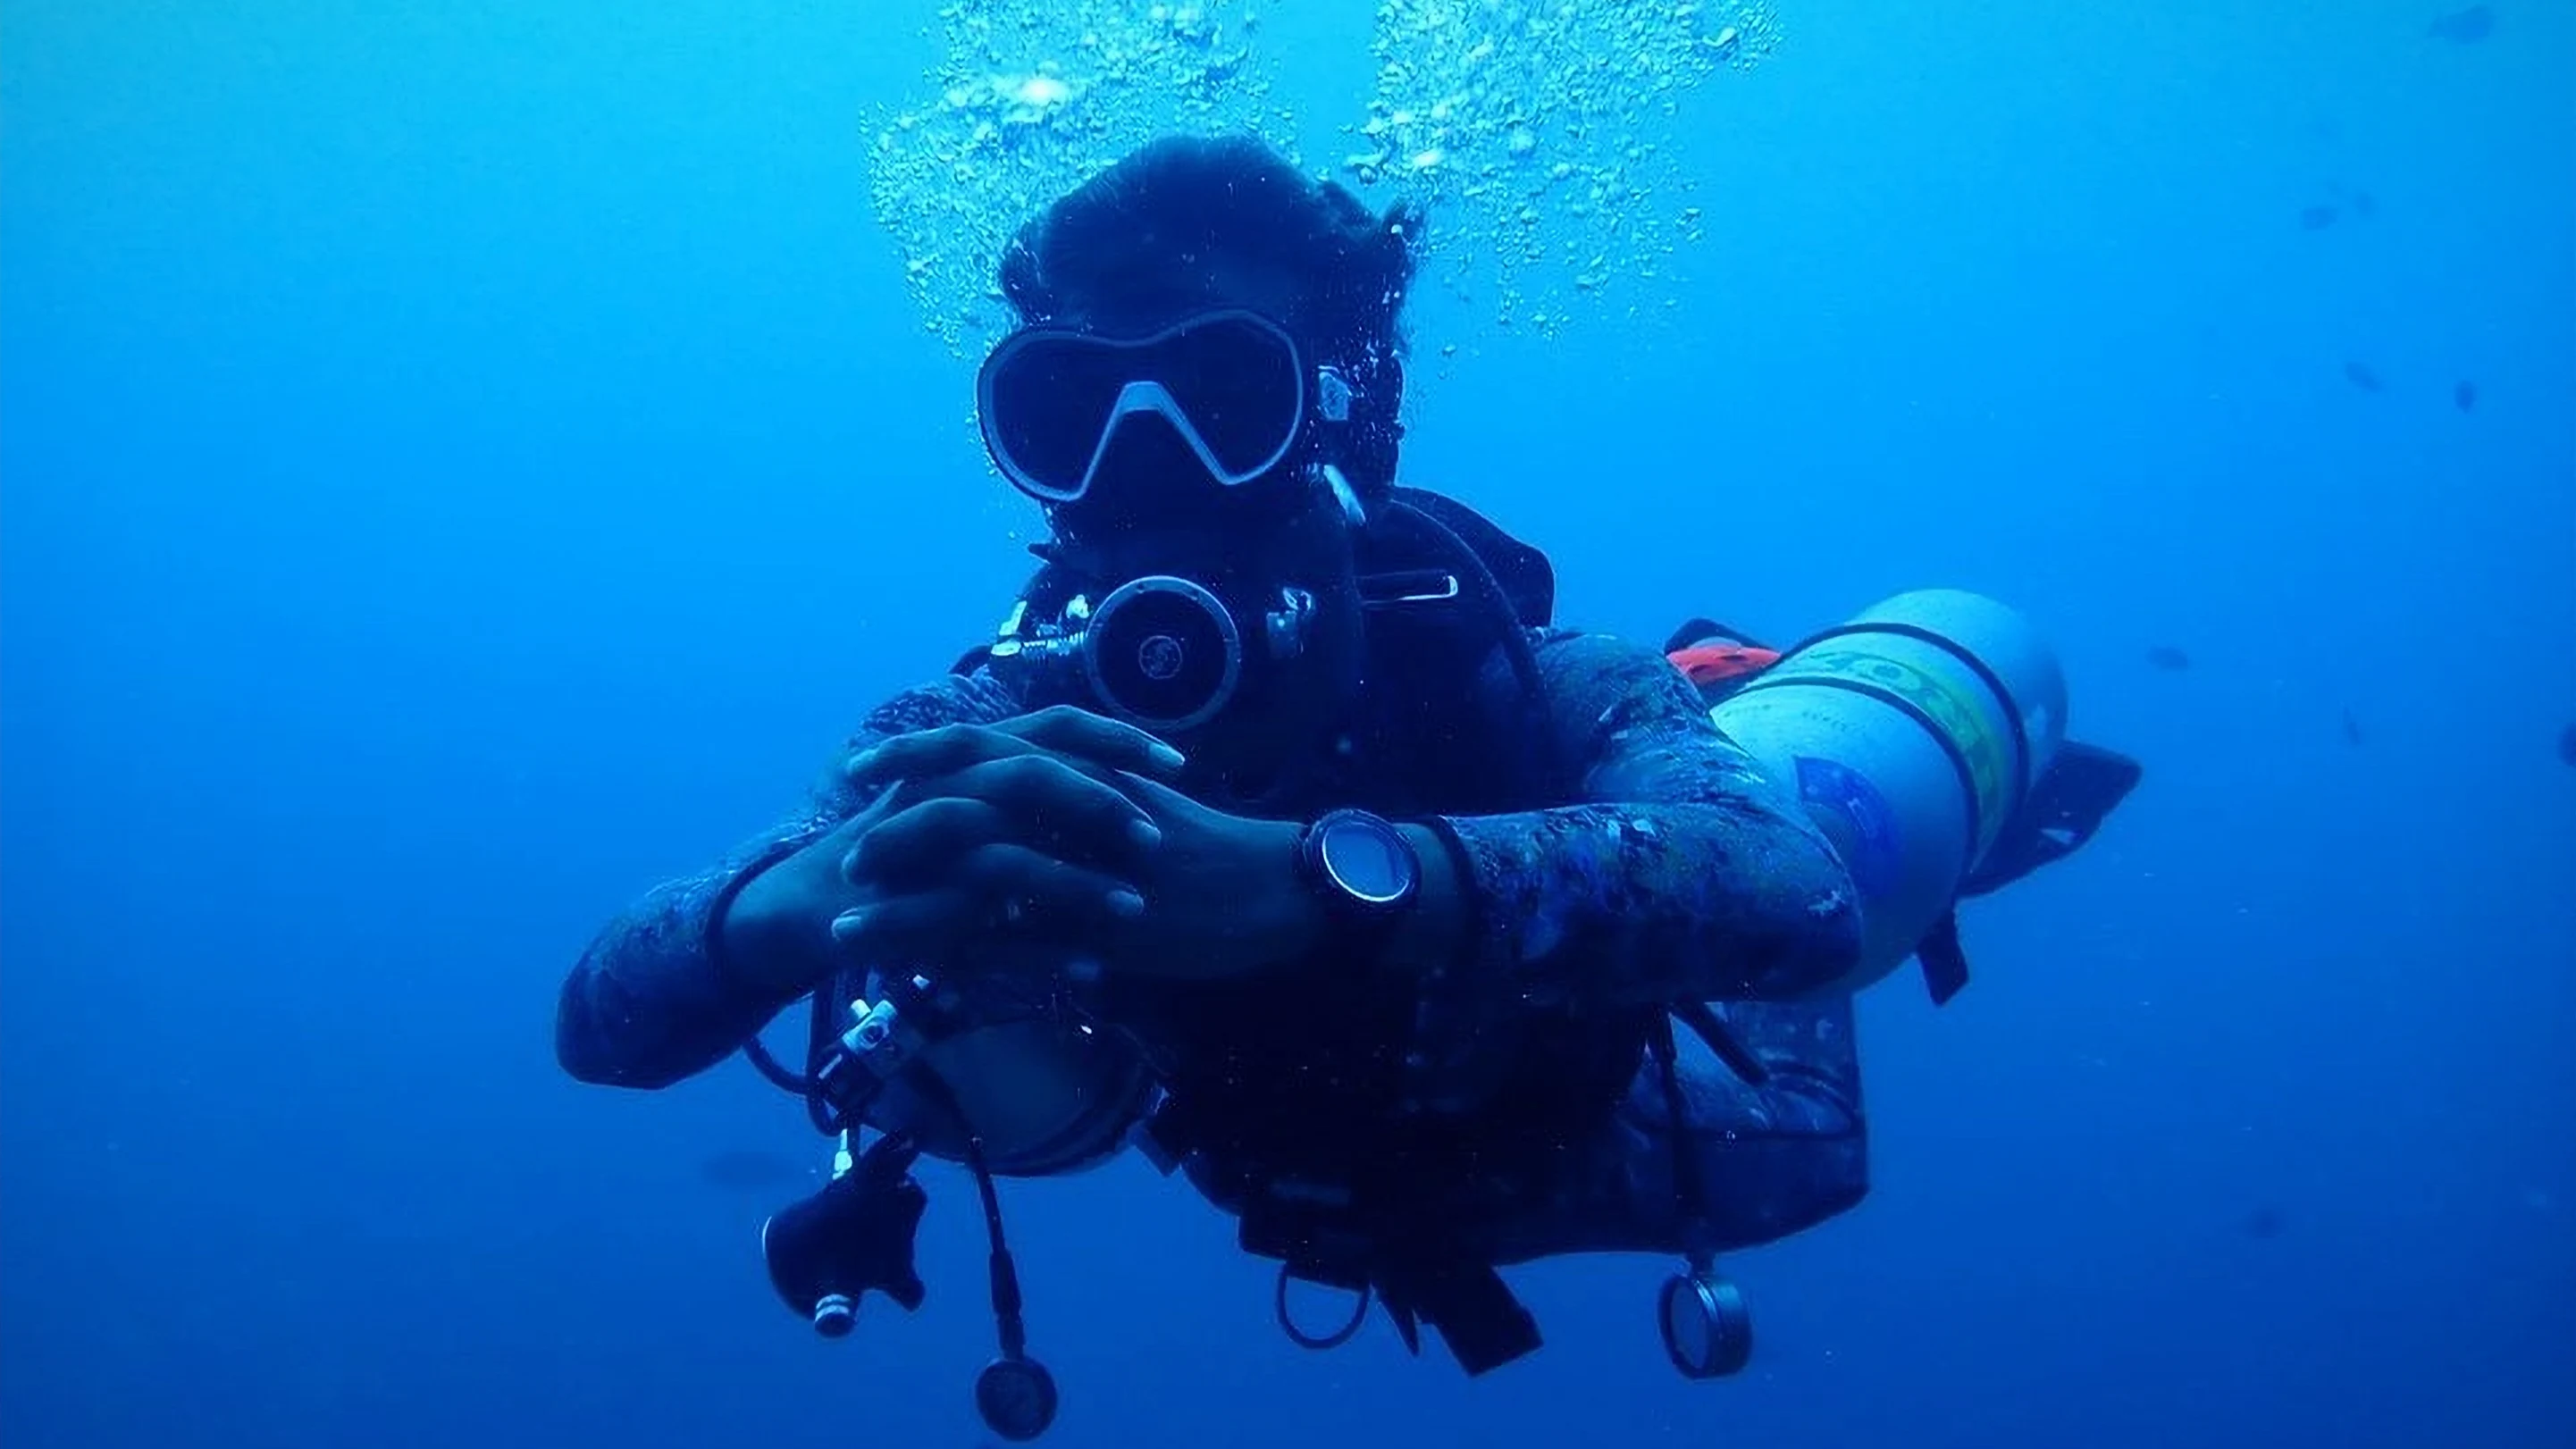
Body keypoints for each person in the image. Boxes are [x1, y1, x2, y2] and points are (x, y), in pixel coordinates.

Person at [556, 134, 2133, 1427]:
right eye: (1071, 411)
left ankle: (1768, 714)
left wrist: (1316, 886)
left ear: (1340, 425)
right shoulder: (976, 725)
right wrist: (802, 901)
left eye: (1223, 397)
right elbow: (602, 1015)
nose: (1145, 462)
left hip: (1582, 1140)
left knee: (1812, 1032)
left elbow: (1788, 896)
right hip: (1288, 1170)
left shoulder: (1523, 674)